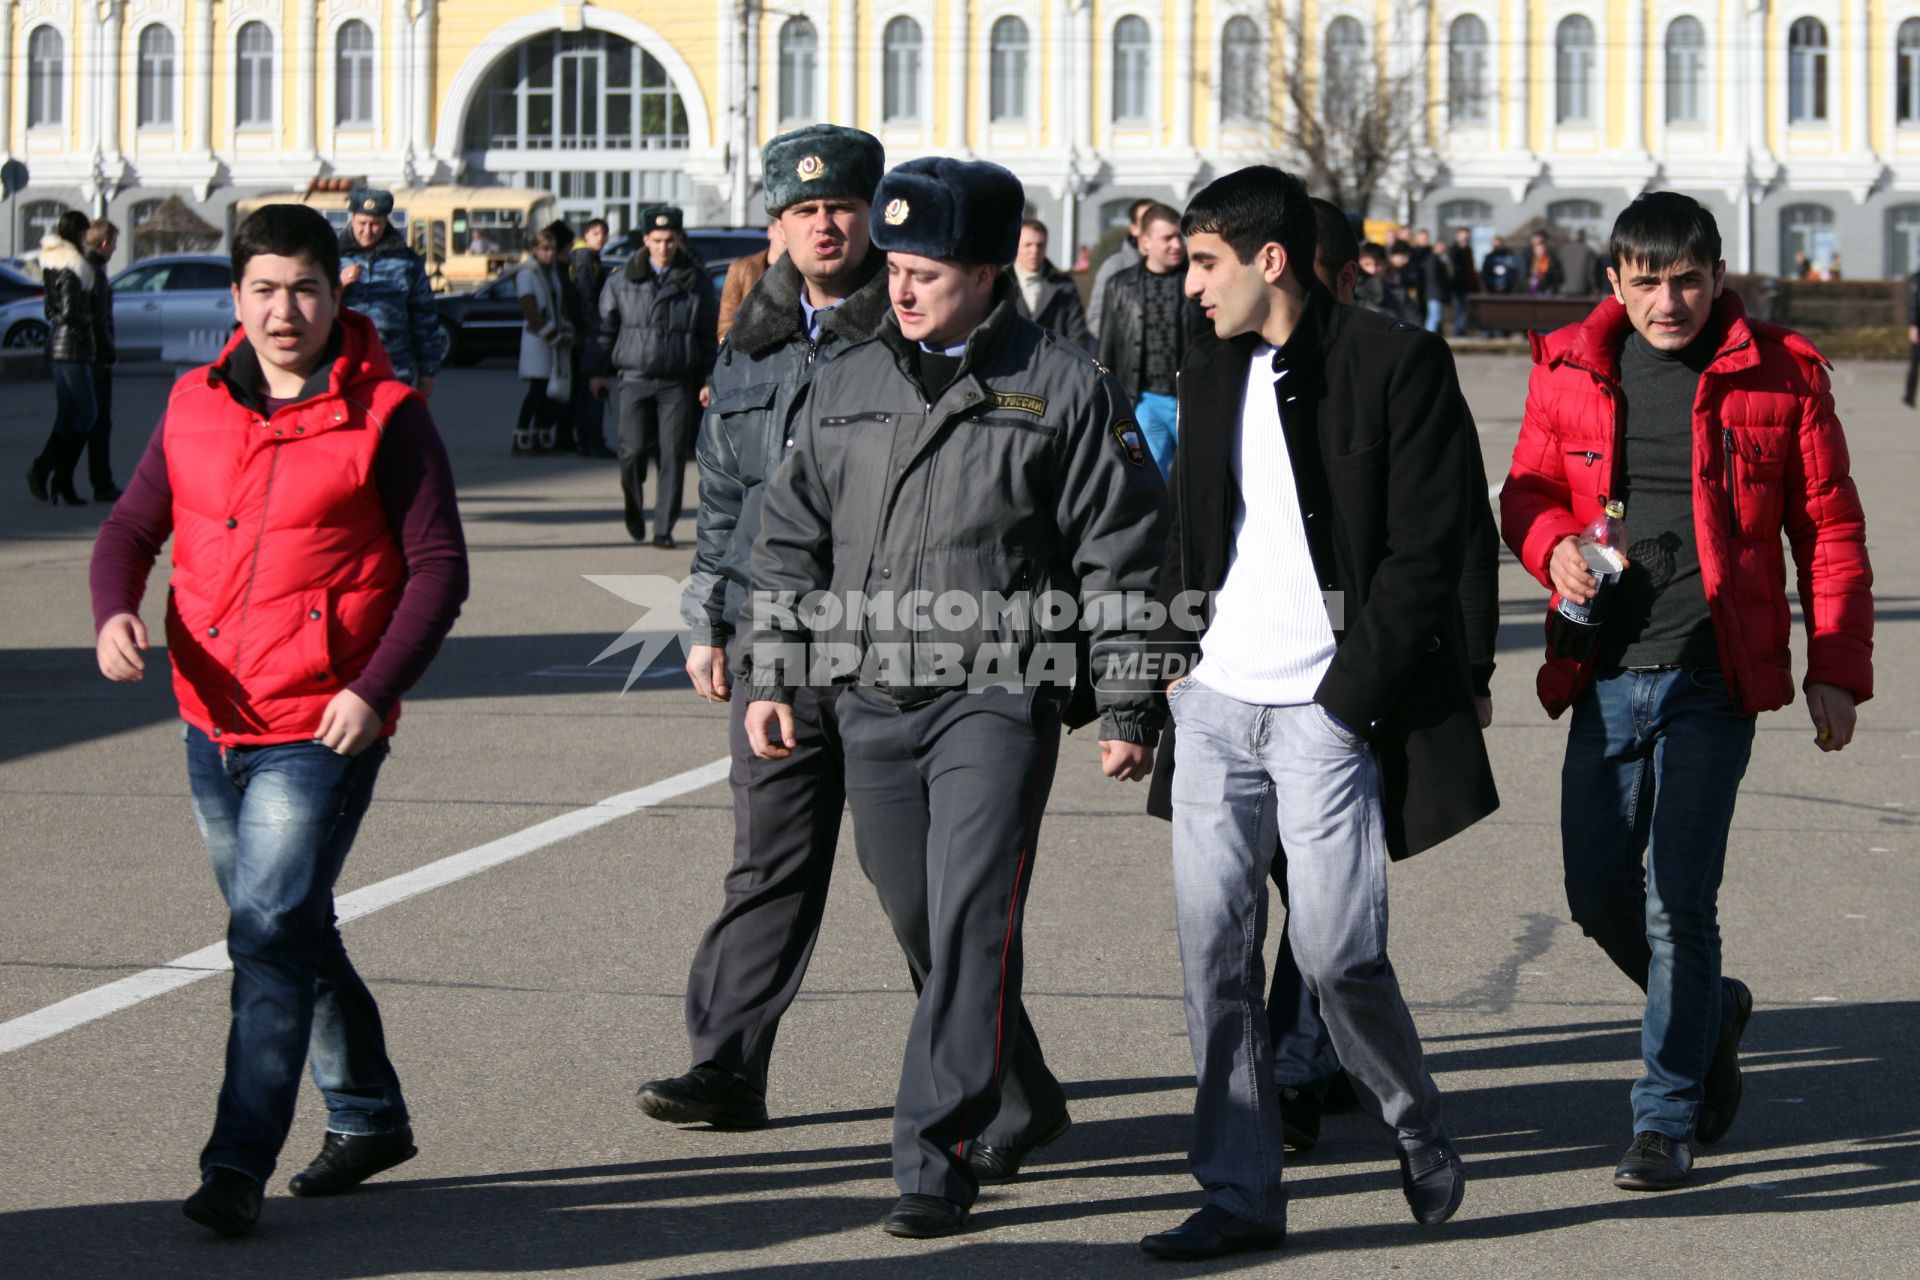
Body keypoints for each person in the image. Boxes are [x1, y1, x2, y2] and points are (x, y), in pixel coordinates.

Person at [741, 155, 1167, 1240]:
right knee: (921, 917)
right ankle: (1024, 1095)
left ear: (987, 272)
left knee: (975, 914)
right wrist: (775, 669)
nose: (903, 288)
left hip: (997, 691)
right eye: (895, 267)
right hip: (869, 693)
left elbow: (1125, 553)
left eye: (927, 269)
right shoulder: (847, 377)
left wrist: (1127, 703)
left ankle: (934, 1151)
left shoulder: (1066, 386)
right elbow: (786, 536)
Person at [89, 202, 468, 1238]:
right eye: (263, 287)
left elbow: (440, 572)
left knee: (263, 934)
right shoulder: (194, 404)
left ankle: (234, 1161)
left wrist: (372, 687)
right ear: (237, 296)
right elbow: (131, 524)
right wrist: (115, 608)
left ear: (337, 291)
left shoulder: (390, 414)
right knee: (289, 924)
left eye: (304, 286)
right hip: (209, 718)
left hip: (321, 721)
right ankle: (370, 1110)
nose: (284, 308)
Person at [1138, 165, 1495, 1261]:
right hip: (1216, 706)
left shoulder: (1397, 363)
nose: (1187, 284)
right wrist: (1173, 662)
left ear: (1269, 260)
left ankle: (1412, 1114)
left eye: (1204, 262)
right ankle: (1240, 1191)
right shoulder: (1205, 371)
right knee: (1215, 958)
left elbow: (1426, 552)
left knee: (1339, 954)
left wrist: (1346, 705)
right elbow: (1193, 534)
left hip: (1325, 715)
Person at [1500, 191, 1874, 1192]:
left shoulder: (1781, 374)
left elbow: (1830, 530)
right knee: (1595, 891)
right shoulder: (1571, 365)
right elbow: (1527, 490)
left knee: (1678, 901)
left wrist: (1835, 670)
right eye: (1648, 280)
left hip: (1715, 673)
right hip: (1604, 671)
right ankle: (1714, 1011)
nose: (1669, 301)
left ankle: (1664, 1113)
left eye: (1689, 280)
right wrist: (1555, 544)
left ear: (1716, 276)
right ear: (1616, 280)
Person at [642, 124, 891, 1133]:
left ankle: (1005, 1086)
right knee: (767, 860)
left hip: (892, 640)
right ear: (776, 224)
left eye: (839, 205)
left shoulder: (916, 323)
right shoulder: (747, 340)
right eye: (801, 209)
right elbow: (725, 497)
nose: (822, 223)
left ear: (872, 212)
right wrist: (707, 616)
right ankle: (728, 1066)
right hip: (770, 643)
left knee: (922, 882)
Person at [1255, 200, 1502, 1154]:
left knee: (1330, 883)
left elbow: (1460, 537)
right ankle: (1328, 1047)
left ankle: (1296, 1065)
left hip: (1369, 669)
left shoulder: (1398, 364)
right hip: (1259, 673)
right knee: (1301, 880)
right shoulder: (1235, 373)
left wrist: (1474, 664)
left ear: (1343, 277)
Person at [589, 204, 718, 548]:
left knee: (672, 456)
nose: (664, 247)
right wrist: (597, 372)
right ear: (645, 240)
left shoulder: (696, 282)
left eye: (670, 240)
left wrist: (709, 377)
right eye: (657, 240)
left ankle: (664, 528)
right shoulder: (620, 282)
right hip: (633, 377)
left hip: (676, 381)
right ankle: (633, 505)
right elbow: (605, 330)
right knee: (630, 453)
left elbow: (708, 334)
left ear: (679, 240)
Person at [1096, 201, 1205, 478]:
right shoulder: (1119, 285)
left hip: (1191, 398)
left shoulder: (1197, 282)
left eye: (1178, 237)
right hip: (1145, 400)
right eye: (1167, 238)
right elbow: (1108, 346)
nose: (1176, 245)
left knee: (1198, 474)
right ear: (1145, 243)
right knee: (1150, 474)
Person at [337, 188, 446, 396]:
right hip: (344, 363)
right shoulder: (332, 257)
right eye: (362, 224)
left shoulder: (406, 261)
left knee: (393, 425)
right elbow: (315, 309)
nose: (368, 231)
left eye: (375, 224)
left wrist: (428, 371)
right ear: (352, 218)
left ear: (386, 222)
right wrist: (339, 285)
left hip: (394, 366)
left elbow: (424, 317)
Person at [25, 210, 100, 506]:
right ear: (78, 232)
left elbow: (50, 310)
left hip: (62, 348)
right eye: (85, 231)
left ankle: (53, 477)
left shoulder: (53, 262)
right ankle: (51, 473)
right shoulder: (72, 265)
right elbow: (69, 312)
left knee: (69, 416)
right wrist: (89, 318)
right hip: (72, 348)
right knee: (86, 415)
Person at [513, 228, 571, 455]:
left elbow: (558, 306)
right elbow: (530, 309)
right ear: (535, 249)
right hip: (537, 341)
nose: (550, 254)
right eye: (545, 249)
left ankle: (539, 435)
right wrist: (552, 335)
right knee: (536, 391)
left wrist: (565, 329)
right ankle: (521, 436)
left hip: (552, 340)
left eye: (553, 249)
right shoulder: (527, 274)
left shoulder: (552, 272)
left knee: (548, 394)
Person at [567, 218, 616, 457]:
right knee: (591, 388)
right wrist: (594, 327)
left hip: (585, 332)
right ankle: (591, 440)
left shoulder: (587, 258)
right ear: (587, 234)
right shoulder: (585, 259)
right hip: (589, 334)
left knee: (584, 389)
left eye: (604, 234)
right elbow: (585, 297)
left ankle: (585, 439)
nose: (601, 238)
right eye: (596, 233)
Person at [82, 218, 122, 502]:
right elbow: (99, 318)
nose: (115, 250)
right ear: (104, 243)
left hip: (87, 354)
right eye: (115, 245)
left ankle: (51, 474)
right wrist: (109, 350)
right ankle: (101, 483)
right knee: (99, 422)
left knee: (82, 420)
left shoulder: (84, 268)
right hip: (96, 356)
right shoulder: (95, 272)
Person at [1010, 217, 1093, 351]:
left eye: (1040, 245)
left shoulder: (1065, 286)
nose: (1035, 251)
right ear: (1016, 245)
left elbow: (1078, 335)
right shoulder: (999, 284)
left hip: (1054, 366)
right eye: (1028, 245)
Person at [1087, 196, 1154, 335]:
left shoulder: (1180, 267)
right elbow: (1095, 318)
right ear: (1134, 228)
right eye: (1145, 221)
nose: (1151, 226)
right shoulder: (1114, 267)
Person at [718, 220, 787, 341]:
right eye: (781, 227)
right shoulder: (742, 268)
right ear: (770, 231)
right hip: (748, 351)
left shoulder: (804, 272)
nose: (785, 235)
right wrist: (731, 353)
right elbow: (726, 322)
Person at [1445, 227, 1480, 335]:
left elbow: (1470, 268)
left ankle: (1461, 330)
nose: (1465, 237)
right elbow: (1455, 267)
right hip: (1456, 285)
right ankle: (1457, 331)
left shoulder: (1468, 249)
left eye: (1466, 235)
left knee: (1464, 309)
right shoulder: (1454, 250)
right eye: (1462, 235)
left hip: (1467, 285)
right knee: (1458, 309)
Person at [1560, 228, 1599, 296]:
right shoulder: (1588, 250)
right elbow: (1591, 272)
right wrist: (1594, 287)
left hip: (1566, 290)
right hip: (1583, 289)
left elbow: (1560, 271)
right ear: (1583, 237)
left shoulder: (1563, 250)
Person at [1903, 260, 1920, 408]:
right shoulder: (1917, 278)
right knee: (1915, 363)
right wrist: (1914, 325)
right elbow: (1913, 304)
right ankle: (1909, 396)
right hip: (1919, 326)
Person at [1528, 231, 1565, 296]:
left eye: (1542, 244)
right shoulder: (1529, 258)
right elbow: (1525, 275)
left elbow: (1558, 276)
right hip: (1532, 291)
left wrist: (1545, 280)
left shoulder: (1552, 259)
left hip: (1548, 291)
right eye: (1536, 245)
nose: (1541, 247)